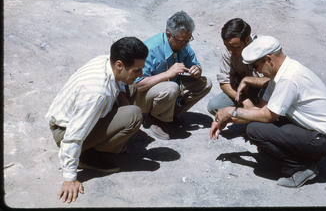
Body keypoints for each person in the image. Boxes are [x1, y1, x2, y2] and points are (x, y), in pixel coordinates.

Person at [211, 36, 326, 188]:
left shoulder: (288, 78)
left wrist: (232, 112)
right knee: (256, 125)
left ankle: (300, 168)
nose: (255, 71)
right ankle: (303, 158)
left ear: (268, 59)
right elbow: (260, 109)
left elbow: (267, 116)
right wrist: (226, 118)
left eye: (255, 66)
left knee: (255, 130)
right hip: (312, 132)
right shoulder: (280, 73)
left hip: (322, 139)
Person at [46, 37, 148, 203]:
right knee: (134, 115)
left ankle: (96, 144)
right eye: (136, 70)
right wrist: (70, 177)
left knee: (130, 86)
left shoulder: (106, 61)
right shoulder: (96, 93)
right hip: (64, 132)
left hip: (78, 117)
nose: (140, 75)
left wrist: (122, 100)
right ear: (120, 65)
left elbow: (122, 85)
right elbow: (74, 135)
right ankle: (89, 154)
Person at [132, 11, 212, 140]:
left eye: (188, 39)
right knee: (171, 87)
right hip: (142, 96)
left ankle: (169, 115)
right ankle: (154, 119)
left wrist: (197, 70)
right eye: (181, 41)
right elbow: (136, 85)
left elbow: (196, 65)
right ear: (169, 35)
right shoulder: (150, 49)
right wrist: (167, 74)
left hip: (166, 89)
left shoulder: (184, 44)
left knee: (204, 83)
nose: (185, 45)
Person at [207, 18, 269, 116]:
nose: (230, 51)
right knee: (214, 106)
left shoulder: (264, 48)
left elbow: (274, 80)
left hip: (266, 91)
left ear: (247, 39)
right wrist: (244, 100)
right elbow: (224, 82)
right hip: (243, 91)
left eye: (235, 47)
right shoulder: (228, 51)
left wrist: (248, 80)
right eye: (227, 47)